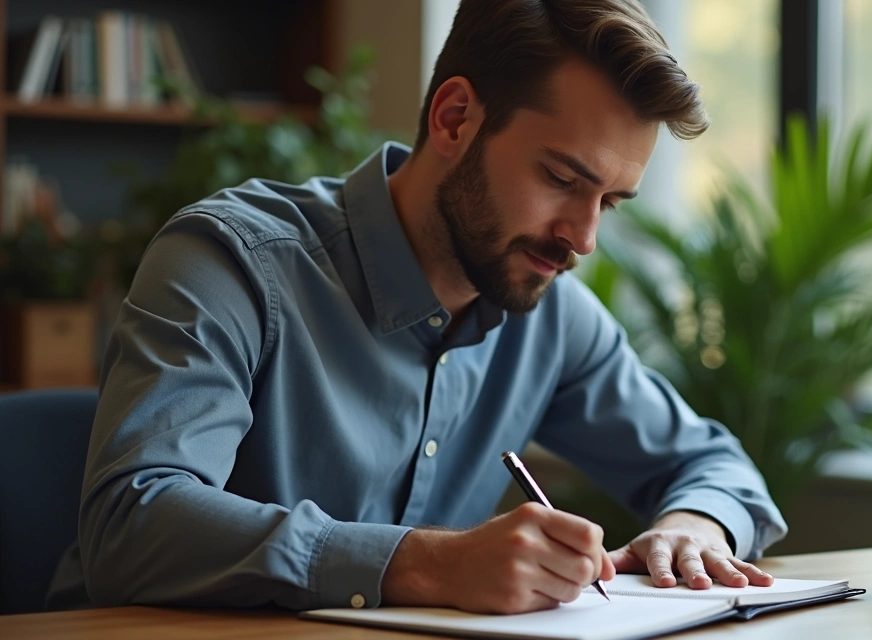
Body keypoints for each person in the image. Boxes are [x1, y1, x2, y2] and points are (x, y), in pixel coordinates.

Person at [48, 0, 788, 615]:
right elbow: (131, 523)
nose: (583, 238)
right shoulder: (232, 261)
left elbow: (713, 464)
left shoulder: (550, 315)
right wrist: (421, 564)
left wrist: (697, 526)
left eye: (611, 202)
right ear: (456, 117)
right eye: (563, 177)